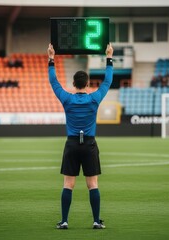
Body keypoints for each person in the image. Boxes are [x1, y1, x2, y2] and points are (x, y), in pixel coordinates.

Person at [47, 43, 113, 230]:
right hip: (90, 145)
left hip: (72, 145)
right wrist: (109, 57)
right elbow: (107, 82)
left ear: (74, 84)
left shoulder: (67, 98)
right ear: (87, 83)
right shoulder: (94, 99)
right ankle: (95, 221)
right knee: (92, 184)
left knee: (68, 184)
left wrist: (51, 59)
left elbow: (54, 82)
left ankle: (65, 220)